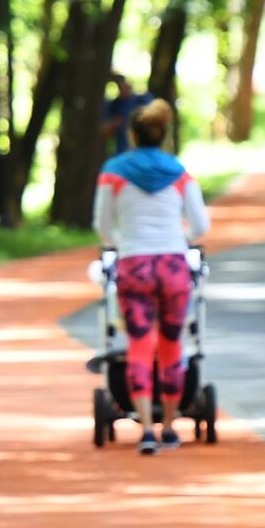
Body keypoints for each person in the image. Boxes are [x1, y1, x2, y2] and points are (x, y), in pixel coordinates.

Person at [92, 98, 209, 454]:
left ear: (132, 133)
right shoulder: (179, 171)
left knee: (139, 346)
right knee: (173, 345)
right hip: (173, 266)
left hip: (134, 267)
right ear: (162, 135)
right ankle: (170, 428)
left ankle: (145, 429)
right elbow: (201, 226)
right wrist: (179, 240)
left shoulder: (113, 171)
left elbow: (101, 225)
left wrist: (119, 243)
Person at [101, 73, 153, 156]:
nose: (124, 87)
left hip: (142, 150)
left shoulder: (141, 100)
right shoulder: (114, 105)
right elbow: (104, 131)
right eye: (121, 85)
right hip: (122, 150)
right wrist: (115, 123)